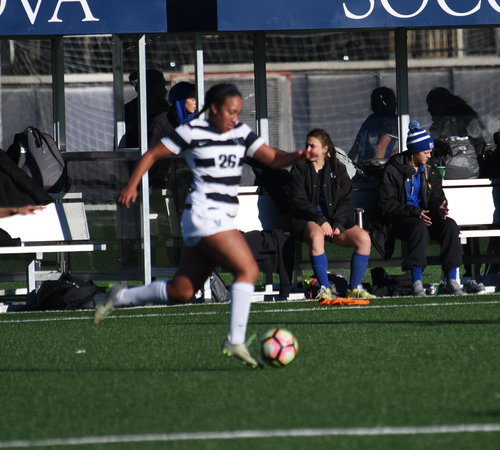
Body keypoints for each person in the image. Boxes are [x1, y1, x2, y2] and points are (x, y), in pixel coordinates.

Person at [94, 83, 309, 369]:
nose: (235, 117)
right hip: (205, 213)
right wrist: (132, 185)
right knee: (248, 270)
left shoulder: (240, 133)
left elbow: (273, 158)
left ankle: (120, 296)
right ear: (215, 108)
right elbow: (151, 155)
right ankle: (234, 340)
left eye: (238, 112)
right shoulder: (192, 131)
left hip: (217, 217)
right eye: (231, 112)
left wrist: (297, 156)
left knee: (182, 291)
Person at [375, 121, 477, 297]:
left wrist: (440, 207)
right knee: (418, 227)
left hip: (425, 216)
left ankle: (451, 280)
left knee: (450, 226)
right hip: (400, 219)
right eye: (426, 152)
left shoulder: (430, 168)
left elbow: (436, 195)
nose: (430, 155)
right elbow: (386, 204)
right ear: (414, 152)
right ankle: (416, 282)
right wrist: (416, 212)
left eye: (430, 152)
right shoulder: (393, 169)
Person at [288, 129, 375, 300]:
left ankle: (353, 288)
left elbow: (346, 200)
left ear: (324, 149)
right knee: (317, 236)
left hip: (333, 223)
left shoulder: (338, 168)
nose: (307, 149)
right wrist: (321, 220)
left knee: (364, 238)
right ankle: (324, 288)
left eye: (312, 146)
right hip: (308, 220)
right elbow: (299, 201)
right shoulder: (299, 168)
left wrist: (338, 223)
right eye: (306, 145)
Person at [426, 86, 488, 156]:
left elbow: (480, 145)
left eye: (432, 105)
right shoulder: (436, 127)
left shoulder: (467, 122)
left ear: (442, 104)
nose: (429, 109)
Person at [120, 69, 170, 149]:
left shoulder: (165, 108)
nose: (165, 91)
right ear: (150, 87)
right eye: (162, 86)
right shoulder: (130, 110)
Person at [348, 86, 399, 164]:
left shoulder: (370, 119)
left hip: (362, 165)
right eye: (393, 100)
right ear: (386, 103)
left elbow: (355, 148)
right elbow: (380, 147)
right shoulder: (391, 120)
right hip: (376, 167)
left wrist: (348, 165)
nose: (396, 104)